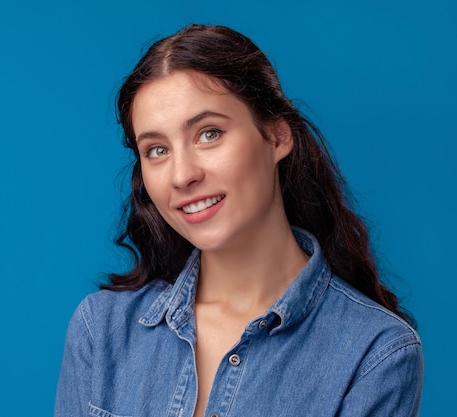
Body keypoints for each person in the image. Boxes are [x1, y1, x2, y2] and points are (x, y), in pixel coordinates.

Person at [54, 24, 423, 417]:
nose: (182, 175)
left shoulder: (376, 354)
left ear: (278, 136)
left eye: (209, 133)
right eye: (157, 149)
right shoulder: (102, 330)